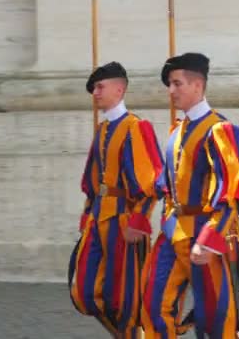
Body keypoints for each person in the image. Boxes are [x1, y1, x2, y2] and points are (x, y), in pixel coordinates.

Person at [141, 53, 239, 338]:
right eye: (170, 84)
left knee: (214, 318)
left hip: (205, 235)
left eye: (177, 83)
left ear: (197, 85)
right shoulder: (176, 131)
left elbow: (231, 192)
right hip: (171, 233)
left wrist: (210, 239)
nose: (171, 91)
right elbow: (163, 183)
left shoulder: (220, 130)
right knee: (154, 307)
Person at [68, 61, 164, 338]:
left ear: (119, 89)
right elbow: (93, 181)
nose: (95, 93)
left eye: (100, 87)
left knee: (125, 298)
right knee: (85, 293)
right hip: (98, 220)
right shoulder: (102, 130)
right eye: (94, 89)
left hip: (125, 223)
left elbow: (153, 182)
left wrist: (139, 219)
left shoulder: (137, 127)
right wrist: (88, 214)